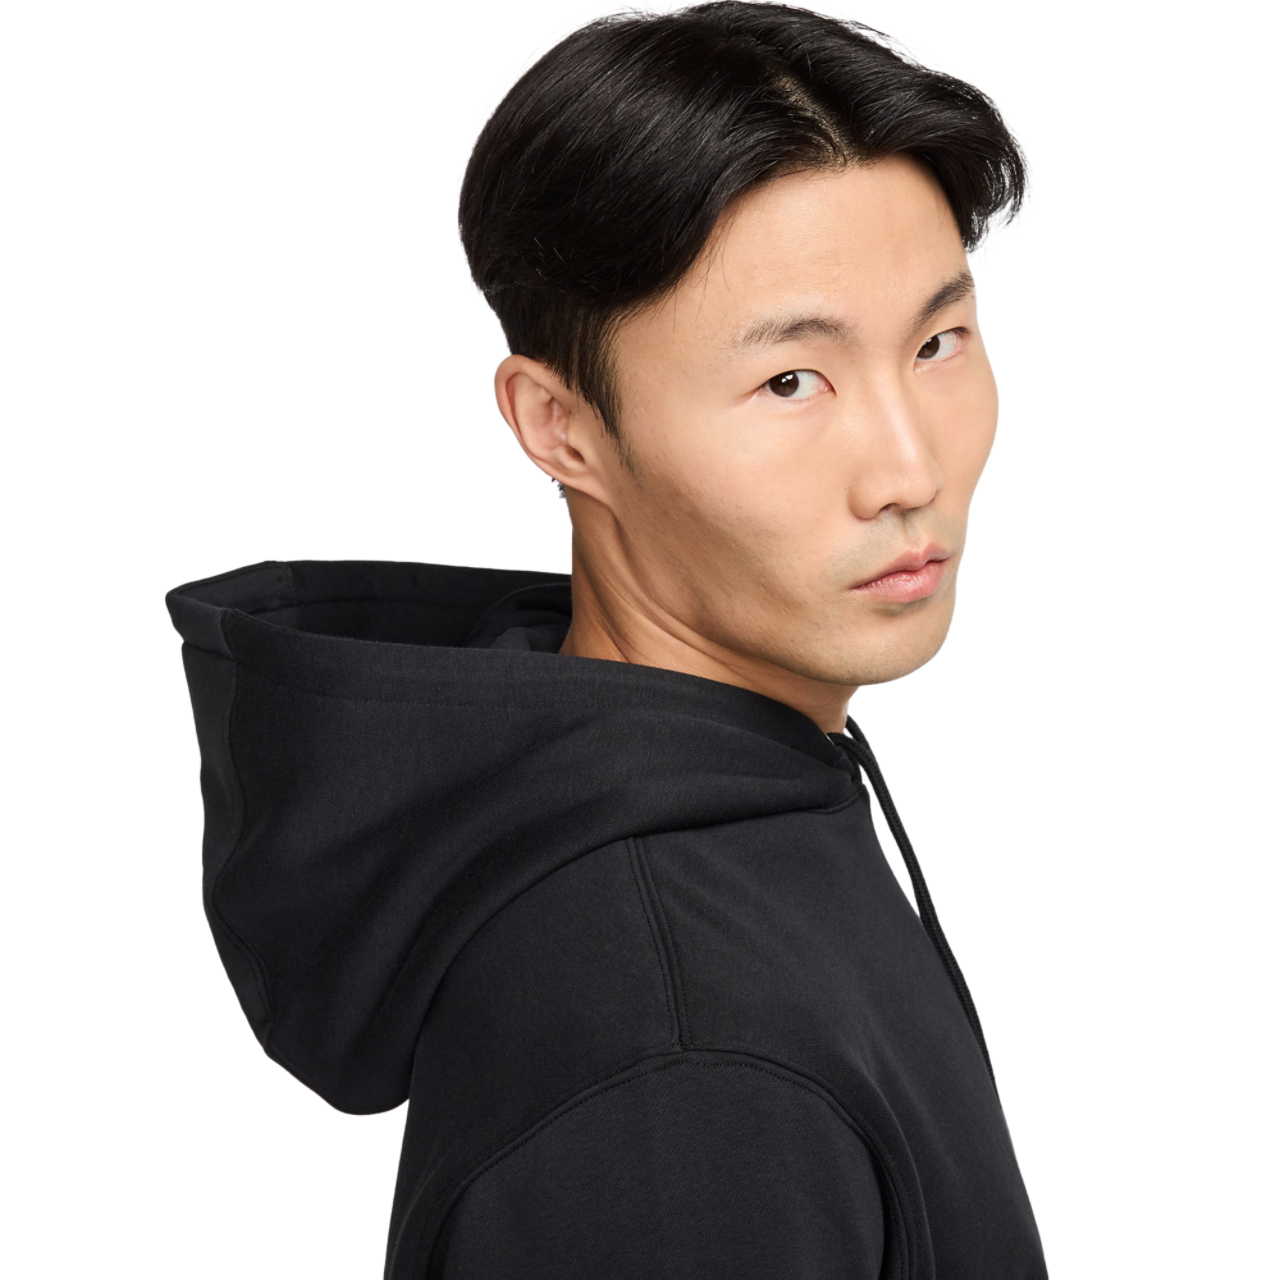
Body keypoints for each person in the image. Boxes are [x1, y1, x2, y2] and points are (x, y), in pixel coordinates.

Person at [168, 3, 1046, 1276]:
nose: (908, 468)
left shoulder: (735, 794)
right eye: (789, 381)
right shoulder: (678, 1068)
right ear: (560, 425)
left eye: (935, 342)